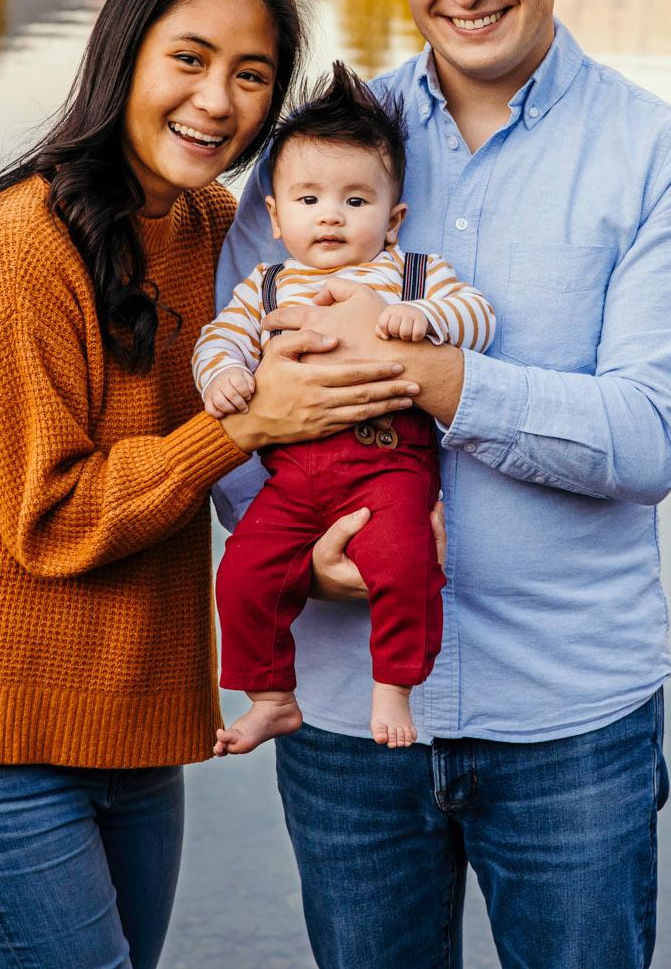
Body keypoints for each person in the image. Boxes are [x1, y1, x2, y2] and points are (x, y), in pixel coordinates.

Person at [212, 0, 671, 967]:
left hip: (567, 724)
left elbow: (645, 438)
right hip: (350, 723)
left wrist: (431, 372)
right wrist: (299, 556)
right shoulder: (316, 159)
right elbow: (240, 416)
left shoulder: (661, 160)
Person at [0, 0, 422, 969]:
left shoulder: (216, 226)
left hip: (131, 727)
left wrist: (336, 534)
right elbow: (55, 518)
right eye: (189, 57)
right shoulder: (15, 249)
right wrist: (244, 424)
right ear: (123, 53)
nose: (216, 100)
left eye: (250, 74)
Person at [195, 62, 496, 754]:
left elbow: (478, 316)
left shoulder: (412, 273)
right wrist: (221, 381)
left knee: (405, 554)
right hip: (294, 476)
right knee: (242, 571)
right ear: (274, 215)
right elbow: (220, 341)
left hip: (388, 464)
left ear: (392, 219)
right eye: (308, 200)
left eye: (356, 201)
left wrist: (423, 317)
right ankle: (270, 695)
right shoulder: (265, 287)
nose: (331, 214)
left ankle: (394, 683)